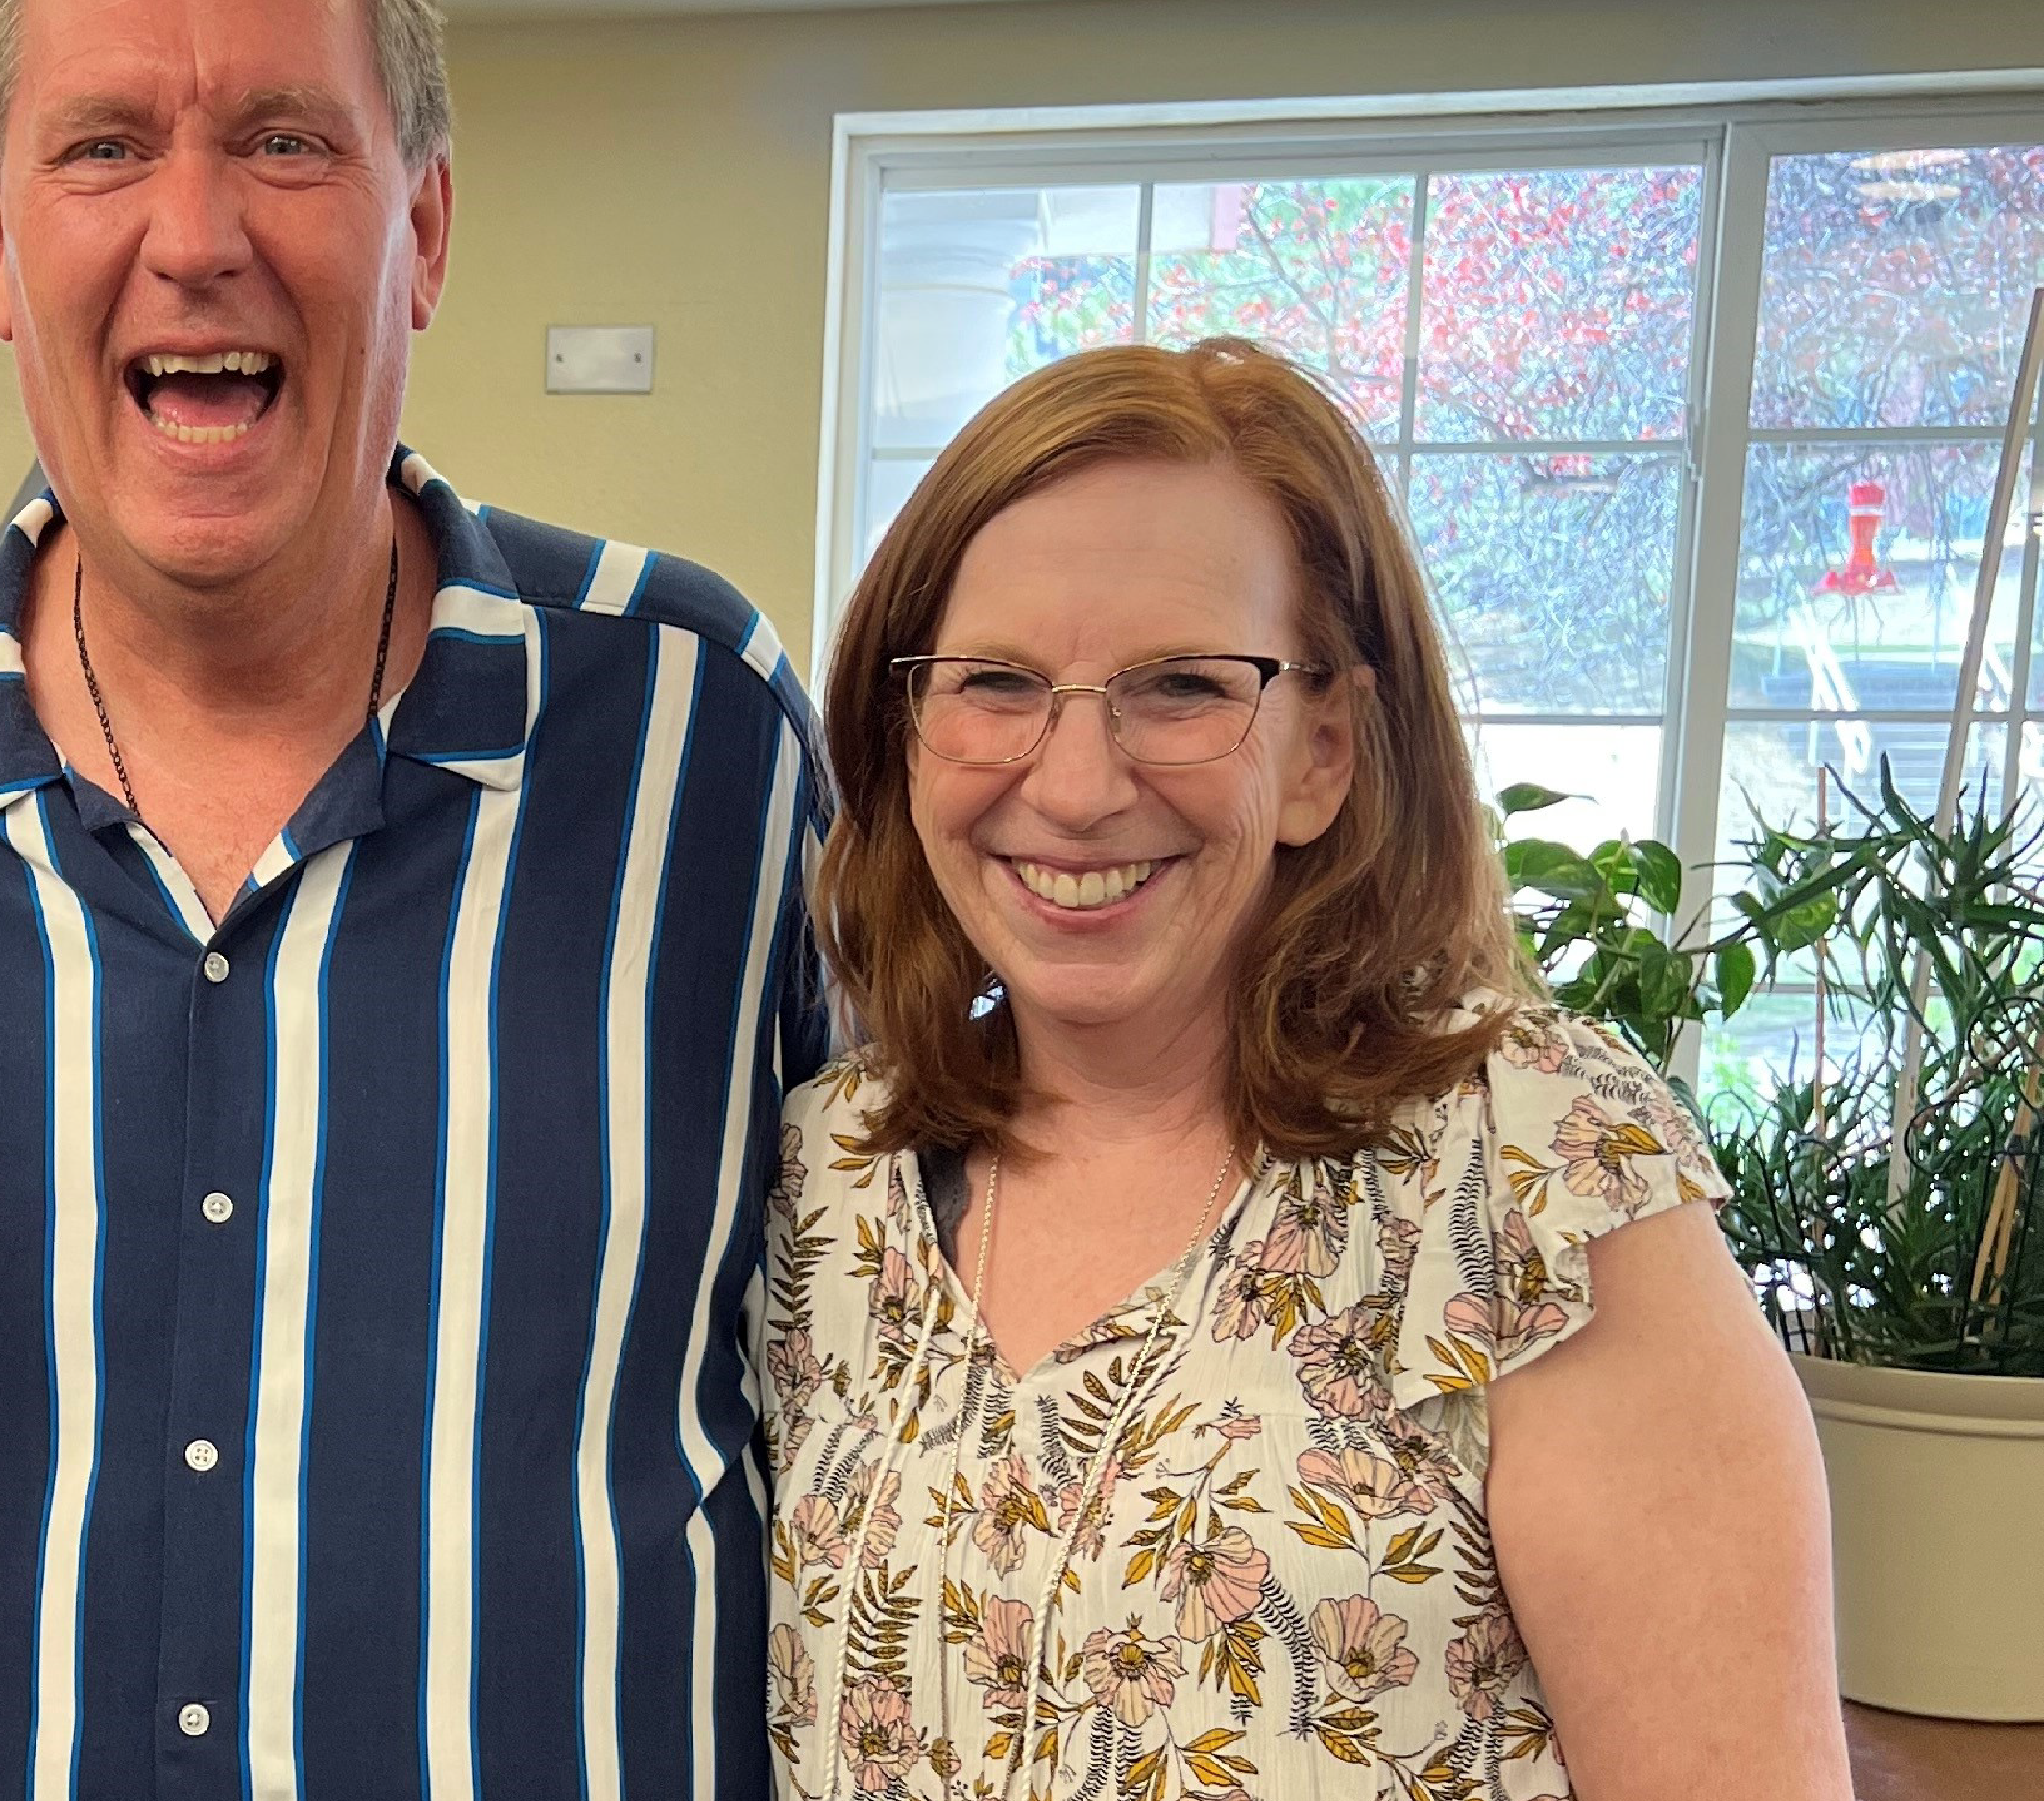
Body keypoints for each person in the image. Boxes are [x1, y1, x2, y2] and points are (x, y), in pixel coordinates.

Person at [0, 0, 826, 1795]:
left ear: (427, 230)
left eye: (285, 140)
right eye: (102, 148)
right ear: (1, 249)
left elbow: (918, 1356)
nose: (195, 235)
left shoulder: (709, 741)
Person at [761, 341, 1848, 1800]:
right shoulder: (824, 1170)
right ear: (904, 732)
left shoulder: (1534, 1176)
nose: (1075, 784)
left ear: (1323, 749)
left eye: (1183, 686)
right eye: (996, 682)